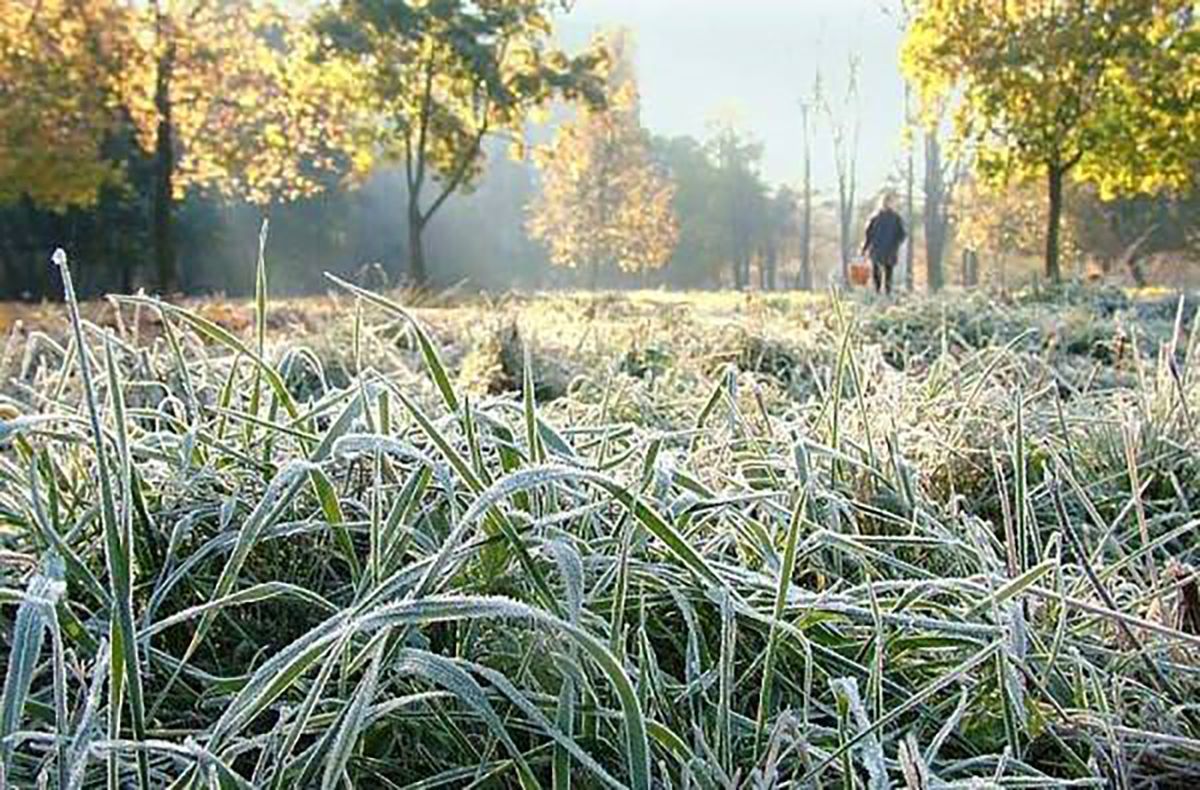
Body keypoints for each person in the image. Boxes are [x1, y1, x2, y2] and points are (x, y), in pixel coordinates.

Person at [860, 193, 907, 296]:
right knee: (877, 273)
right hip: (878, 249)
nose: (888, 204)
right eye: (887, 202)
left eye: (890, 202)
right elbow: (869, 234)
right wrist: (865, 248)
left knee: (887, 274)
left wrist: (895, 243)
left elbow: (902, 234)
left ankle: (886, 294)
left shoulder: (895, 218)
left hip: (889, 249)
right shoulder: (876, 218)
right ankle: (879, 293)